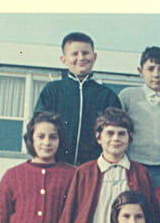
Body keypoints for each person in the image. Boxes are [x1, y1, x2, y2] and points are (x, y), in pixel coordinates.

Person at [35, 32, 121, 165]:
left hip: (94, 167)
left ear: (94, 56)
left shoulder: (107, 95)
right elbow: (39, 126)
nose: (81, 58)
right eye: (74, 54)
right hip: (57, 165)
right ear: (64, 59)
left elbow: (115, 132)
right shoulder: (52, 90)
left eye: (85, 53)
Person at [118, 46, 160, 188]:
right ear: (140, 71)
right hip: (132, 163)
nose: (156, 74)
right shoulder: (128, 96)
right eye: (150, 69)